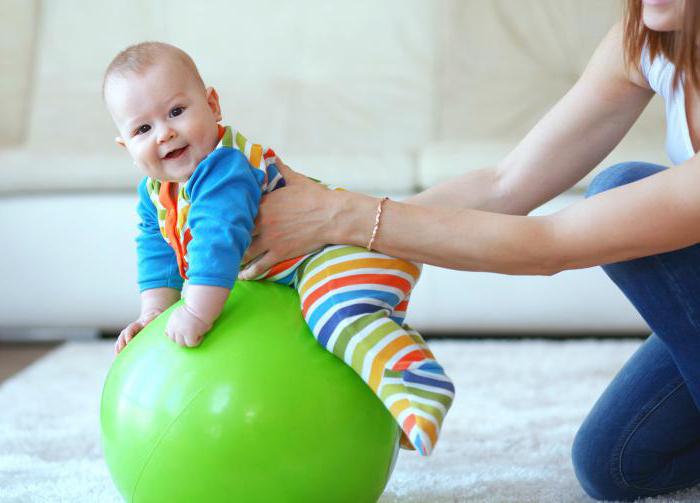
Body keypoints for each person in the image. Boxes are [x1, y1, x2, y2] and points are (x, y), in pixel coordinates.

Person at [237, 0, 700, 500]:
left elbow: (553, 244)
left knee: (618, 187)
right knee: (616, 462)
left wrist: (340, 214)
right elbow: (507, 184)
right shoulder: (647, 39)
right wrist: (328, 241)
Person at [102, 42, 455, 456]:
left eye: (177, 111)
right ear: (127, 147)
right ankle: (381, 403)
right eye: (143, 130)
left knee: (336, 316)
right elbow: (157, 249)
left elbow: (218, 241)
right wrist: (154, 311)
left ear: (213, 105)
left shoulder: (223, 168)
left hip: (339, 250)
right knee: (338, 336)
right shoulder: (157, 192)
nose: (165, 133)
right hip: (301, 269)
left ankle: (418, 385)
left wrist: (196, 310)